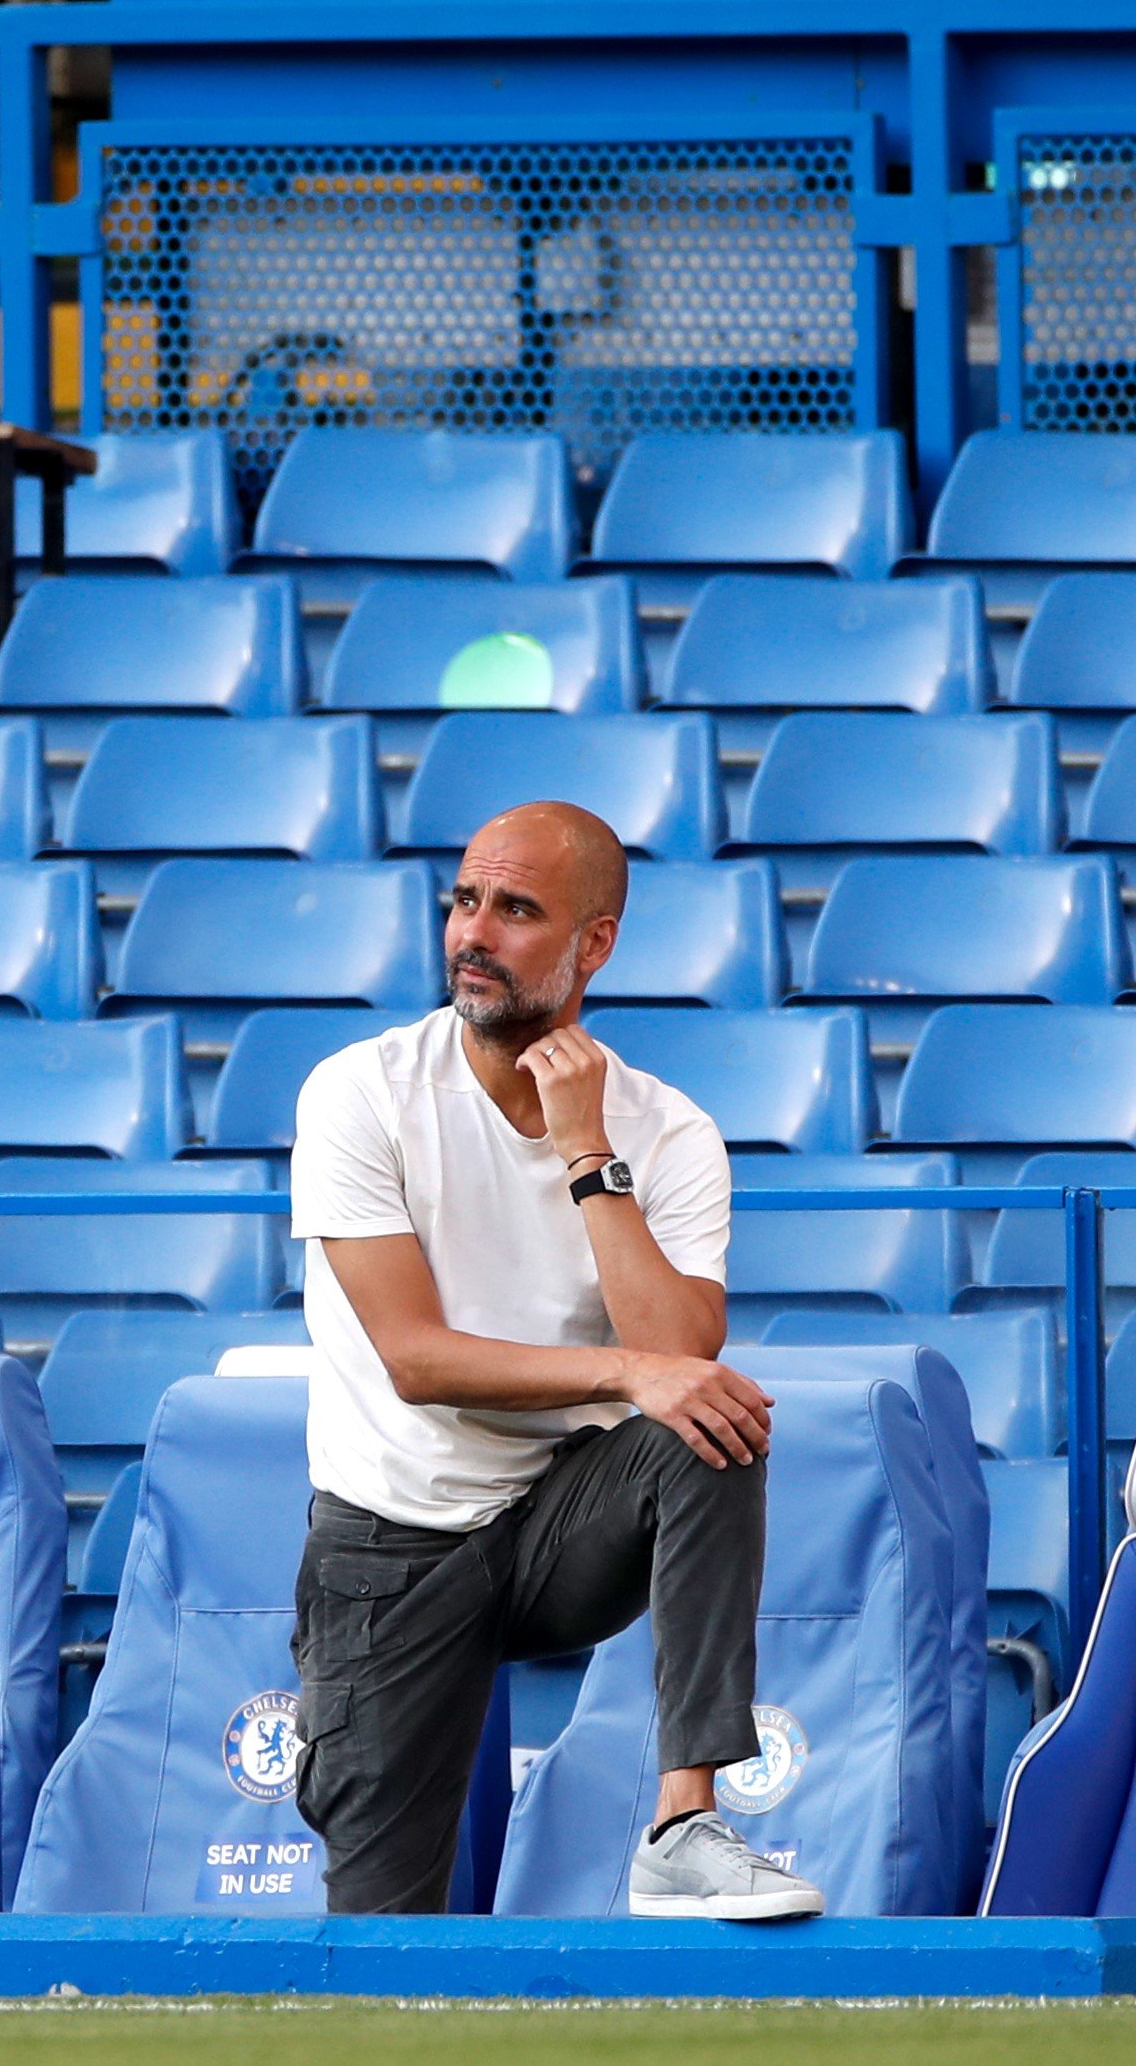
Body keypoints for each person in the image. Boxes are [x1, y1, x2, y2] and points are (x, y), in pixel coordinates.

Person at [284, 799, 816, 1920]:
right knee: (379, 1940)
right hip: (389, 1546)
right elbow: (416, 1360)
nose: (474, 932)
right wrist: (621, 1375)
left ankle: (684, 1823)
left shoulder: (665, 1130)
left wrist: (586, 1151)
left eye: (516, 909)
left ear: (594, 945)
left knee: (711, 1423)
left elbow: (678, 1353)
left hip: (556, 1529)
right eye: (465, 899)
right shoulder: (358, 1092)